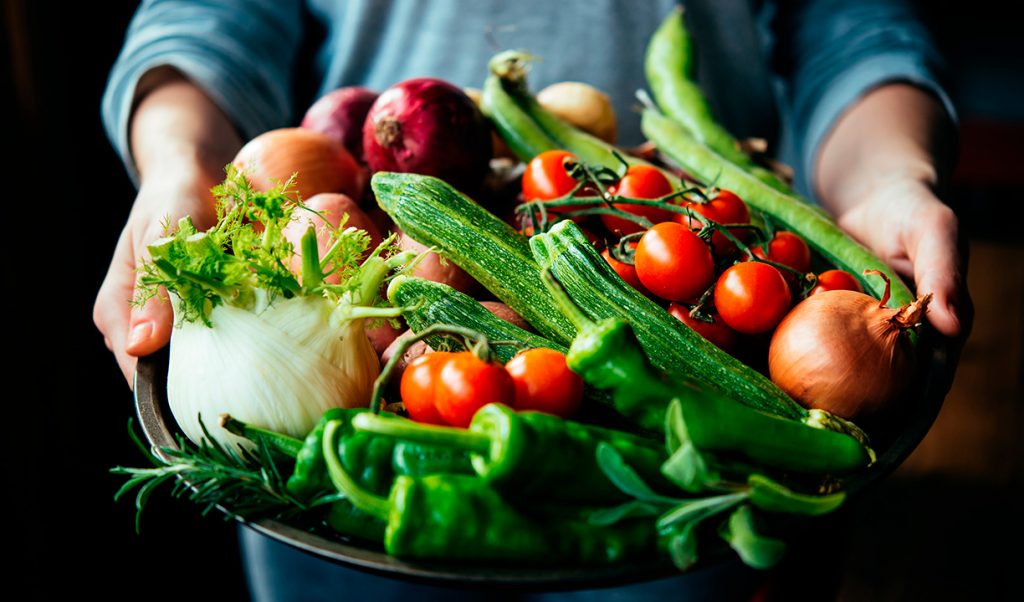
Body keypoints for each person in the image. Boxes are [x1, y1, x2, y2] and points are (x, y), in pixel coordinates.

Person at [94, 1, 971, 599]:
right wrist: (179, 166)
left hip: (688, 502)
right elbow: (208, 15)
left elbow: (851, 23)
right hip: (343, 440)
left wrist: (889, 177)